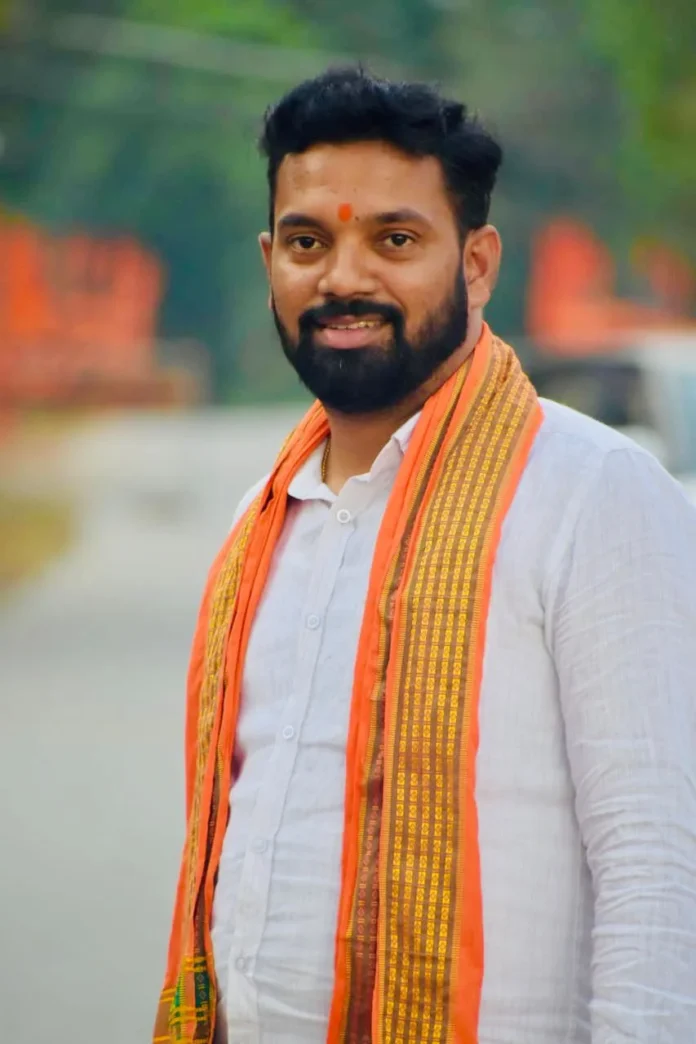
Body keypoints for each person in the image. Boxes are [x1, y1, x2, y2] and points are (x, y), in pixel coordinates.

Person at [154, 68, 696, 1044]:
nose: (343, 278)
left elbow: (660, 863)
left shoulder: (591, 493)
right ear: (269, 260)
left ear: (477, 264)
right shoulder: (265, 517)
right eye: (308, 243)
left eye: (394, 240)